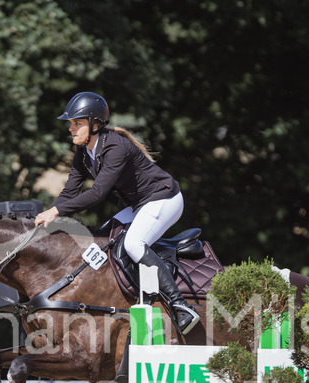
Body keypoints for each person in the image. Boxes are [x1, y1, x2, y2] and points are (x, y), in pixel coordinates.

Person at [34, 91, 200, 334]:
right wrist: (50, 216)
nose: (71, 129)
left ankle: (180, 306)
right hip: (140, 205)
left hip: (165, 199)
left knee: (133, 244)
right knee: (103, 237)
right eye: (70, 123)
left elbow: (98, 193)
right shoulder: (84, 152)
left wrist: (57, 211)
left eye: (77, 123)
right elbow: (70, 190)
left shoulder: (115, 148)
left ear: (95, 124)